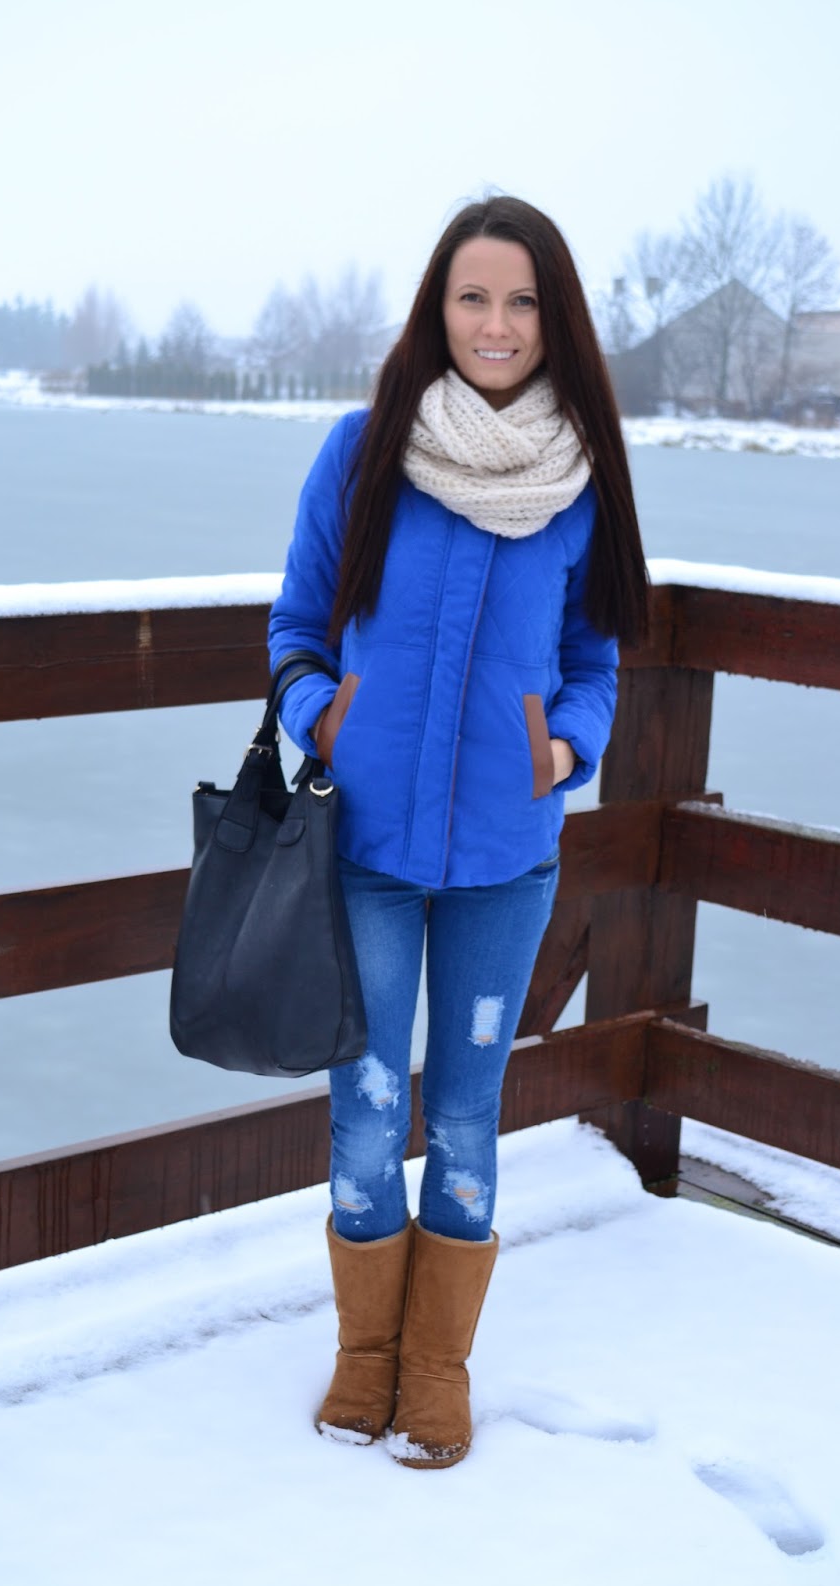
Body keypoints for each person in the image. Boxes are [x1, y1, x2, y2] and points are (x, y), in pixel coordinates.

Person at [268, 195, 648, 1469]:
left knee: (471, 1118)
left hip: (505, 858)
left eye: (521, 300)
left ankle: (435, 1365)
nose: (496, 323)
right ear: (438, 308)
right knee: (369, 1111)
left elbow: (594, 658)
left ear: (555, 319)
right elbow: (297, 626)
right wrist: (327, 720)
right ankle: (363, 1352)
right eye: (472, 296)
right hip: (366, 852)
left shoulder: (581, 477)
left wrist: (563, 748)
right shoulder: (364, 449)